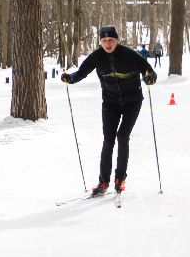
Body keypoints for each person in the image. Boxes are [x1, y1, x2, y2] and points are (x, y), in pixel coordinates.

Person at [63, 25, 157, 195]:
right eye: (104, 41)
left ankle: (120, 179)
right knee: (108, 140)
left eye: (111, 40)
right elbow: (82, 72)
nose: (108, 44)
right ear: (100, 42)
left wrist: (150, 77)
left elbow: (148, 70)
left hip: (132, 102)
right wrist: (70, 78)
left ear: (117, 40)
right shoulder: (97, 56)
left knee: (122, 136)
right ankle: (103, 182)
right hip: (110, 103)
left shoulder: (128, 54)